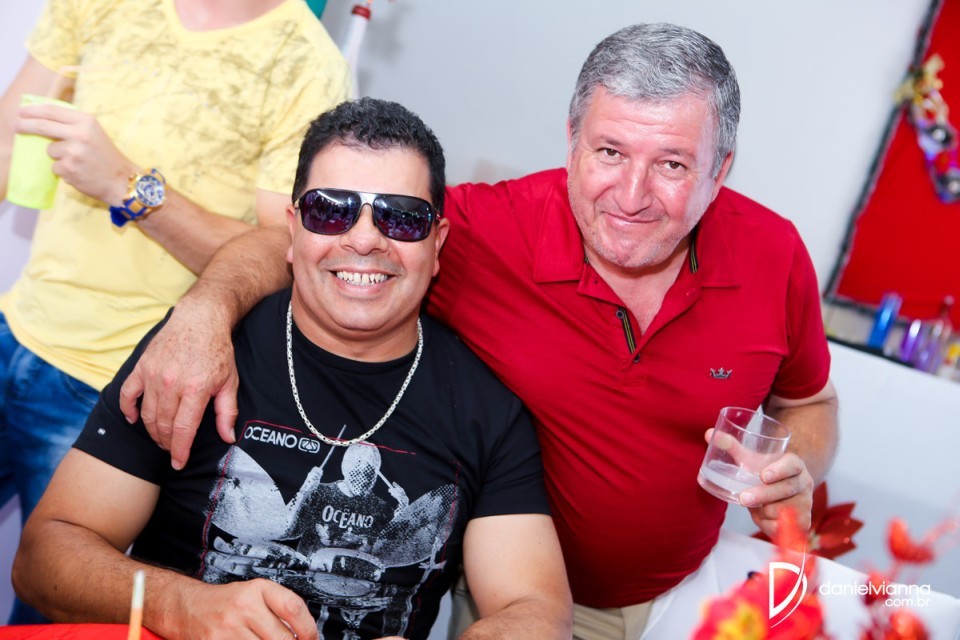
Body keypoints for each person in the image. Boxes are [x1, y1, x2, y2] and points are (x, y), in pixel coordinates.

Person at [117, 23, 839, 639]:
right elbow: (316, 239)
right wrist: (204, 312)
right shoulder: (479, 231)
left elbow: (810, 403)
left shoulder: (774, 256)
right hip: (517, 597)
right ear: (572, 140)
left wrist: (793, 463)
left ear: (720, 169)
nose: (630, 195)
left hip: (688, 592)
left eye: (672, 165)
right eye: (610, 152)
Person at [12, 98, 572, 640]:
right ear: (294, 228)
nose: (364, 239)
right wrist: (183, 607)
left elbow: (536, 610)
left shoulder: (485, 411)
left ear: (437, 243)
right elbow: (44, 556)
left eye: (401, 218)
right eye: (331, 210)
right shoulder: (196, 354)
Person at [0, 0, 349, 622]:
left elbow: (283, 251)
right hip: (16, 327)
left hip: (120, 390)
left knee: (52, 614)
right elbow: (10, 135)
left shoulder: (306, 62)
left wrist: (128, 186)